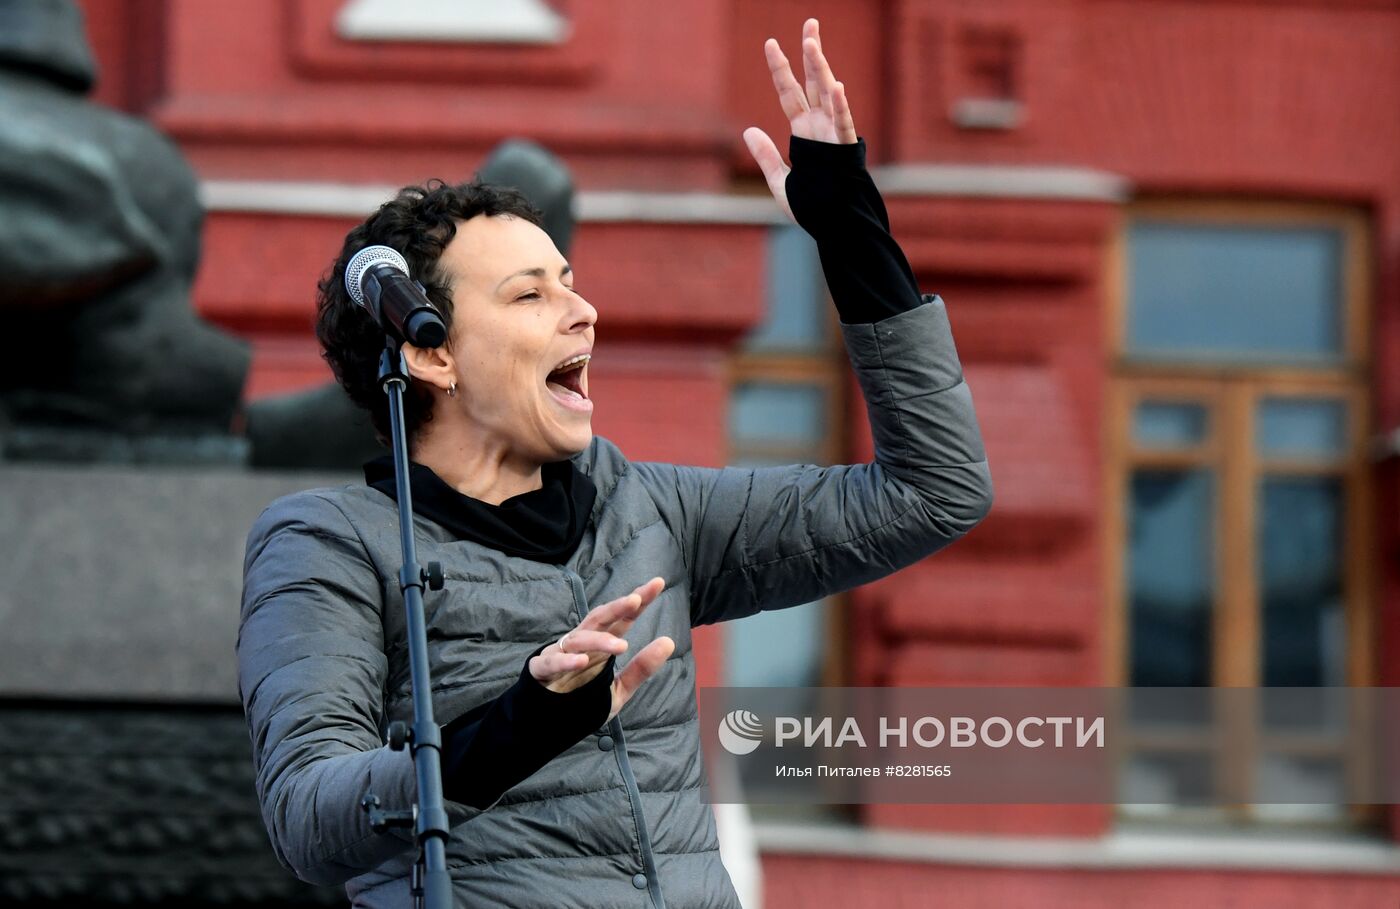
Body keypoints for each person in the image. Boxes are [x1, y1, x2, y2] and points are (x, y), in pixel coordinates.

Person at [237, 18, 992, 908]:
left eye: (569, 280)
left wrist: (850, 234)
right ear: (433, 354)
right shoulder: (329, 543)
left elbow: (934, 491)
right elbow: (307, 816)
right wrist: (524, 720)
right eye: (530, 293)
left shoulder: (653, 511)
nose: (582, 310)